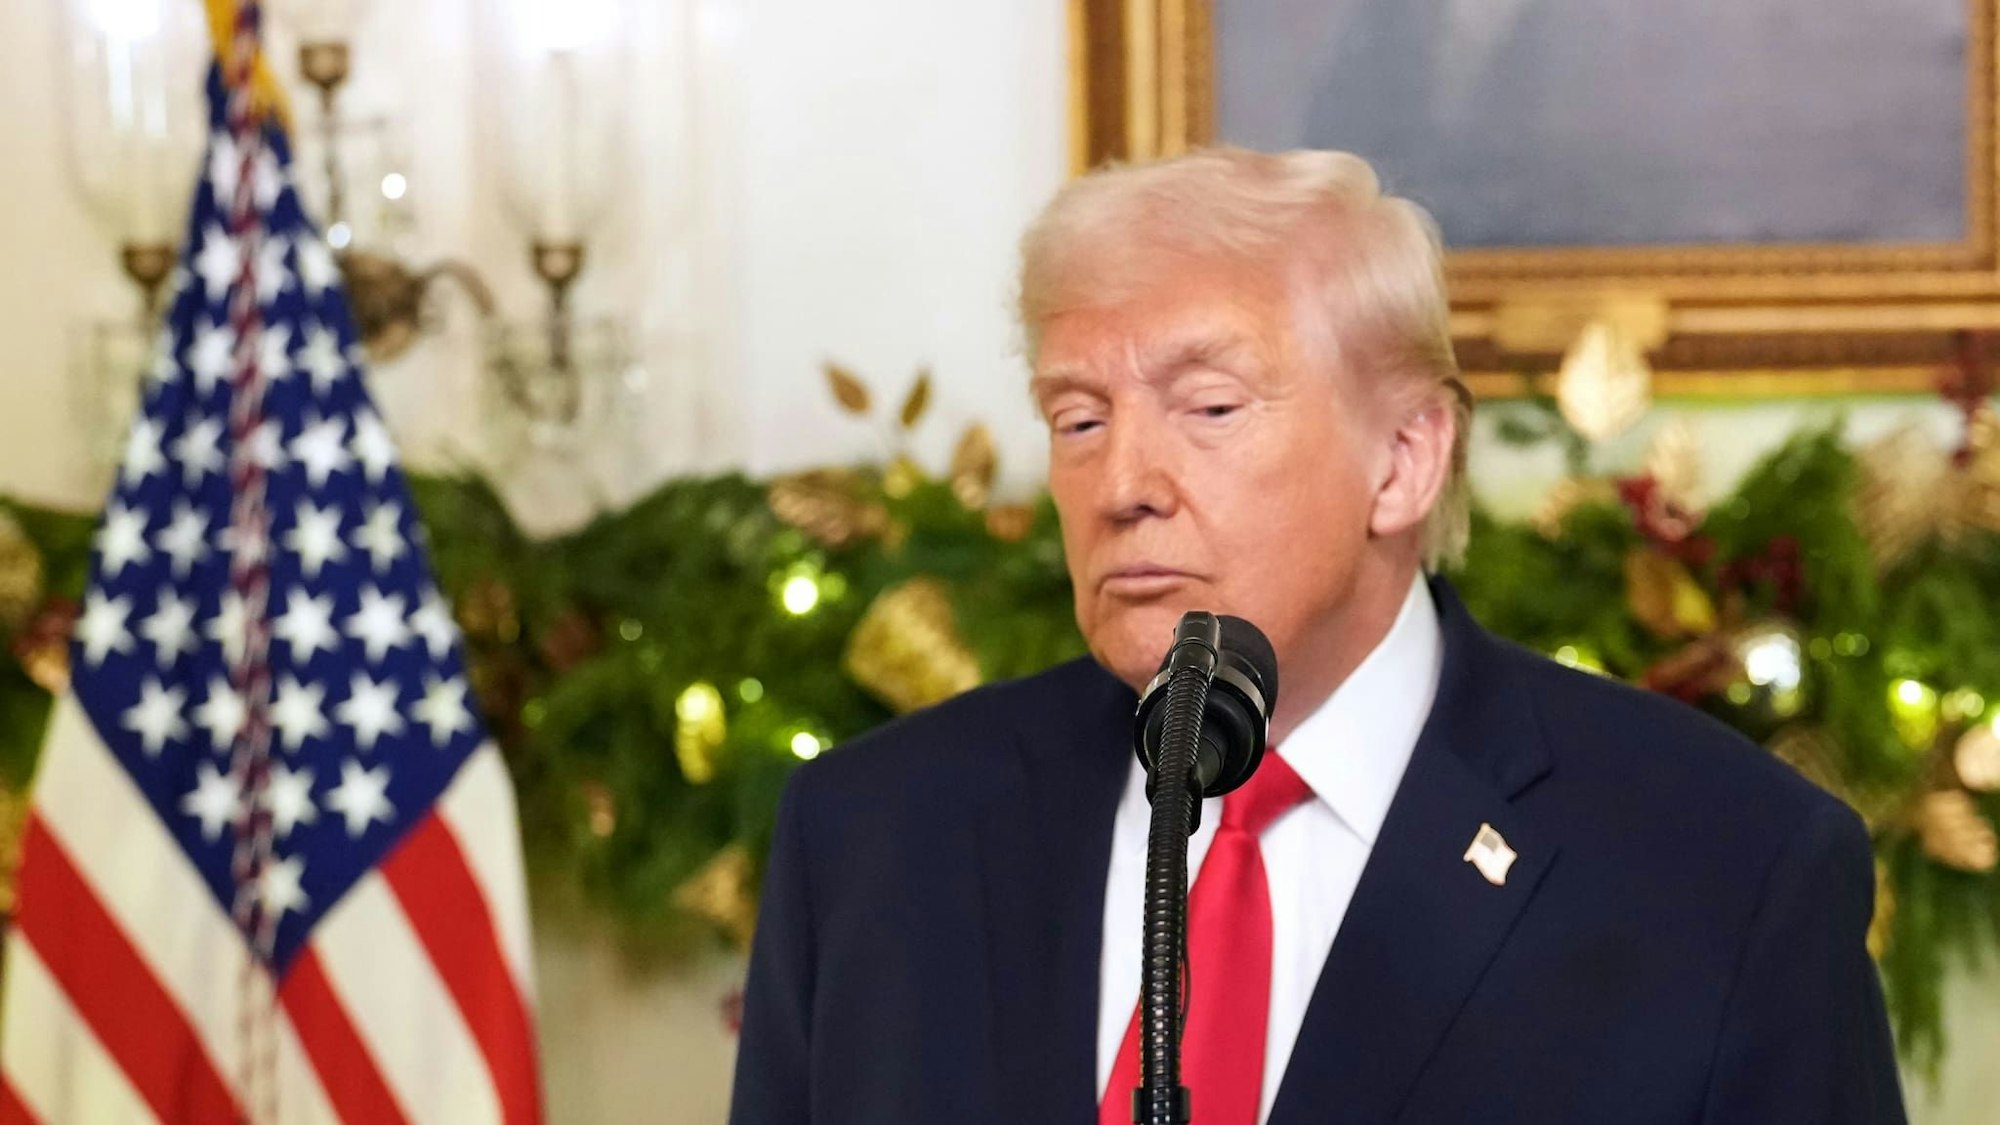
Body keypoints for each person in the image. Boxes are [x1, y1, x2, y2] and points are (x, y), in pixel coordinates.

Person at [728, 148, 1905, 1124]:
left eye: (1208, 407)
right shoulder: (873, 838)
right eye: (1076, 418)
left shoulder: (1726, 867)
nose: (1120, 482)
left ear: (1401, 459)